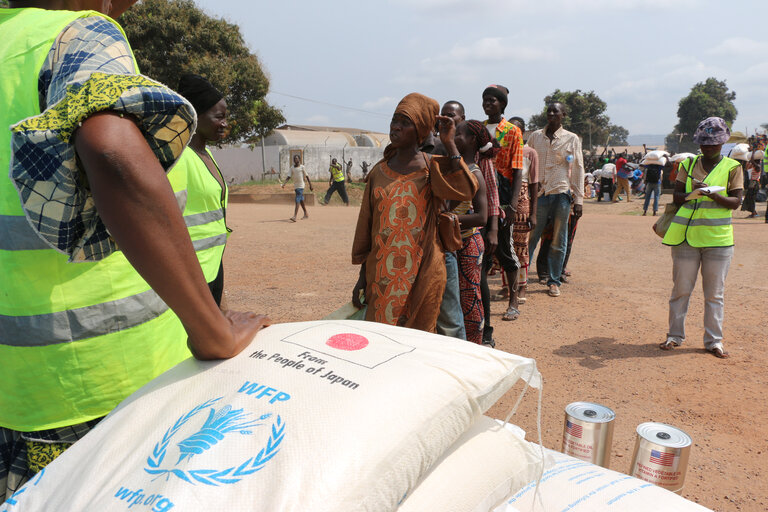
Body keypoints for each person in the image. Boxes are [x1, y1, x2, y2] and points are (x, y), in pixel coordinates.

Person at [0, 1, 269, 498]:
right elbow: (111, 149)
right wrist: (211, 329)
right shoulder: (80, 33)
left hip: (17, 394)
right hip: (110, 382)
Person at [351, 93, 477, 331]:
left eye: (405, 122)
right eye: (394, 120)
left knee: (418, 341)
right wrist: (363, 275)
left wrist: (450, 143)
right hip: (383, 276)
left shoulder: (433, 167)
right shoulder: (378, 173)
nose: (395, 127)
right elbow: (367, 227)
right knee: (381, 337)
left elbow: (467, 189)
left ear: (419, 129)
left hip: (424, 272)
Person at [660, 117, 743, 359]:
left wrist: (714, 195)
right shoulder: (689, 164)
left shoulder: (732, 168)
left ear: (722, 143)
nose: (707, 148)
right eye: (704, 144)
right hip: (686, 238)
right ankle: (674, 336)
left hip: (718, 240)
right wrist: (692, 192)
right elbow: (675, 196)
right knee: (681, 290)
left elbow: (736, 202)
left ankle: (714, 341)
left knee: (714, 294)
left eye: (713, 144)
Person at [172, 74, 231, 307]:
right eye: (219, 117)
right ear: (195, 116)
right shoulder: (179, 159)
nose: (225, 123)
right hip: (192, 275)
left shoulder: (207, 155)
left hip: (213, 265)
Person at [527, 102, 585, 297]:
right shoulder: (535, 137)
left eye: (556, 111)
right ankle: (520, 278)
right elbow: (527, 162)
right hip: (539, 195)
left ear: (563, 115)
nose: (551, 114)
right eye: (549, 110)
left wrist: (579, 200)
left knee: (559, 239)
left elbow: (577, 168)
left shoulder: (571, 139)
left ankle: (553, 281)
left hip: (561, 193)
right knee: (531, 238)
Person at [482, 84, 524, 323]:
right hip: (480, 195)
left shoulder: (511, 131)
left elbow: (518, 170)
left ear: (502, 104)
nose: (488, 104)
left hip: (504, 195)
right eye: (485, 100)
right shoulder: (476, 128)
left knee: (505, 250)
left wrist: (513, 204)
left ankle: (514, 301)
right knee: (482, 248)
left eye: (493, 100)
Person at [452, 120, 490, 344]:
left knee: (469, 298)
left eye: (458, 134)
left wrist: (450, 220)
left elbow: (482, 217)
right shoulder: (456, 168)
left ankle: (475, 346)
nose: (454, 138)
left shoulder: (474, 173)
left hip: (467, 243)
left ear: (471, 140)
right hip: (454, 242)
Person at [509, 117, 539, 304]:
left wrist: (533, 213)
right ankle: (508, 287)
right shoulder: (504, 151)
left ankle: (522, 286)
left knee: (521, 245)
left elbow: (534, 183)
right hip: (506, 198)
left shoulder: (530, 153)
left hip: (522, 201)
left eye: (517, 130)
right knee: (507, 245)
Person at [281, 154, 313, 222]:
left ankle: (295, 216)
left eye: (297, 158)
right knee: (301, 200)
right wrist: (284, 184)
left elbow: (307, 176)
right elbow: (289, 176)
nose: (296, 160)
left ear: (299, 159)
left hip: (301, 185)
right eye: (294, 159)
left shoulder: (302, 167)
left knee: (297, 199)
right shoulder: (292, 168)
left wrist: (310, 185)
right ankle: (306, 214)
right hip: (296, 186)